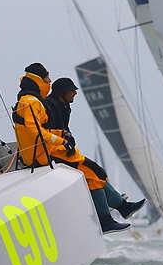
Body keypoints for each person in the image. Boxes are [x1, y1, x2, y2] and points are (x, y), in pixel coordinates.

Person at [12, 64, 141, 233]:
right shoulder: (31, 101)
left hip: (47, 150)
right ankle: (107, 219)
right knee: (93, 174)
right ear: (38, 80)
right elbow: (34, 130)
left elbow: (42, 128)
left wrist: (63, 135)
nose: (49, 81)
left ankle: (119, 207)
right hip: (44, 155)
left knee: (95, 172)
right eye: (46, 78)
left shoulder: (36, 101)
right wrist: (61, 140)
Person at [44, 75, 146, 221]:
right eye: (72, 90)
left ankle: (123, 206)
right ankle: (105, 219)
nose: (75, 93)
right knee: (93, 174)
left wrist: (68, 137)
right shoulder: (50, 105)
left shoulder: (64, 106)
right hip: (55, 153)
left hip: (65, 151)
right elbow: (49, 132)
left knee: (99, 172)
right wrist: (65, 138)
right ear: (62, 92)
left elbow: (63, 130)